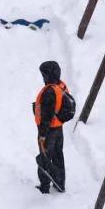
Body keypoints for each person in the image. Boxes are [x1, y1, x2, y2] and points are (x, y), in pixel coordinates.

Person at [33, 60, 69, 194]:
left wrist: (42, 134)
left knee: (44, 157)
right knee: (58, 155)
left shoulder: (49, 91)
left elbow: (46, 116)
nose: (43, 78)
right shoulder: (60, 86)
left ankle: (44, 187)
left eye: (44, 75)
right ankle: (60, 183)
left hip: (48, 131)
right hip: (58, 130)